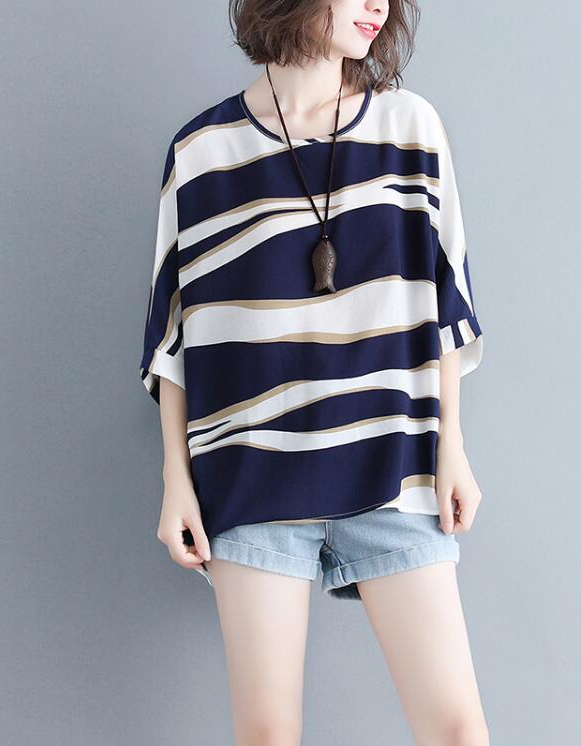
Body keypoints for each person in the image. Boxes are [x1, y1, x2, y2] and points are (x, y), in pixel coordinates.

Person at [140, 1, 489, 743]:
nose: (378, 6)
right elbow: (175, 334)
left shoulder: (408, 126)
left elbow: (445, 299)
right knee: (268, 735)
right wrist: (176, 479)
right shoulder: (202, 151)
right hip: (251, 470)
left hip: (392, 459)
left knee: (456, 730)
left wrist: (451, 445)